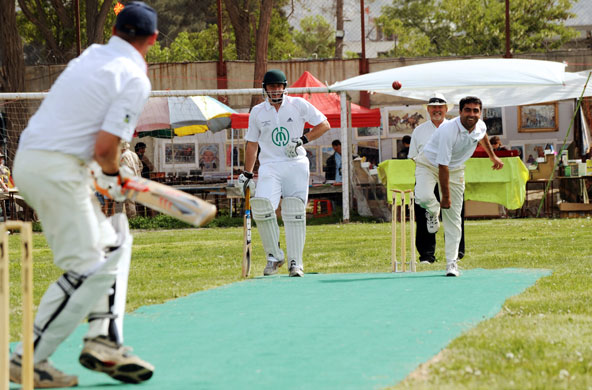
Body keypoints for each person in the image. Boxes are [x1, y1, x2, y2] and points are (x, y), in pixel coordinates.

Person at [10, 2, 158, 387]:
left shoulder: (89, 57)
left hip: (33, 160)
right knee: (91, 266)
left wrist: (105, 173)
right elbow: (106, 146)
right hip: (58, 170)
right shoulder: (135, 76)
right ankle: (27, 360)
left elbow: (83, 134)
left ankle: (104, 340)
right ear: (153, 40)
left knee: (116, 238)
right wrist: (112, 175)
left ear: (114, 31)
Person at [236, 69, 330, 277]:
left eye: (280, 87)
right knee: (261, 206)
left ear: (285, 88)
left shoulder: (298, 104)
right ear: (265, 89)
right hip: (270, 165)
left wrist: (302, 140)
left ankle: (296, 262)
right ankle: (274, 256)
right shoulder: (258, 112)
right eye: (272, 87)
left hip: (296, 163)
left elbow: (324, 124)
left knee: (294, 210)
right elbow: (251, 144)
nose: (276, 90)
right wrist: (247, 173)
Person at [414, 96, 503, 277]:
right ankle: (432, 210)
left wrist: (492, 156)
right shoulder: (449, 130)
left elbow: (482, 136)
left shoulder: (480, 125)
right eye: (468, 110)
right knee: (422, 197)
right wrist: (444, 198)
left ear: (480, 112)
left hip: (455, 170)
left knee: (453, 218)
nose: (472, 114)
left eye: (475, 111)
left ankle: (451, 263)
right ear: (460, 112)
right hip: (429, 164)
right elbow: (442, 166)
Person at [408, 93, 466, 264]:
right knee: (424, 208)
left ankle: (457, 253)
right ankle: (426, 255)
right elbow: (413, 156)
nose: (437, 110)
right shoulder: (419, 130)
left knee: (454, 213)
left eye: (440, 106)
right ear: (428, 109)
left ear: (446, 109)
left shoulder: (455, 127)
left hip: (450, 173)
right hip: (428, 172)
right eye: (433, 107)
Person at [116, 141, 142, 218]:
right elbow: (141, 166)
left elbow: (125, 170)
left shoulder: (123, 156)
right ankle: (136, 219)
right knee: (134, 201)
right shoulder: (134, 154)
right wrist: (137, 173)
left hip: (128, 181)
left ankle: (132, 220)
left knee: (129, 203)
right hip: (137, 180)